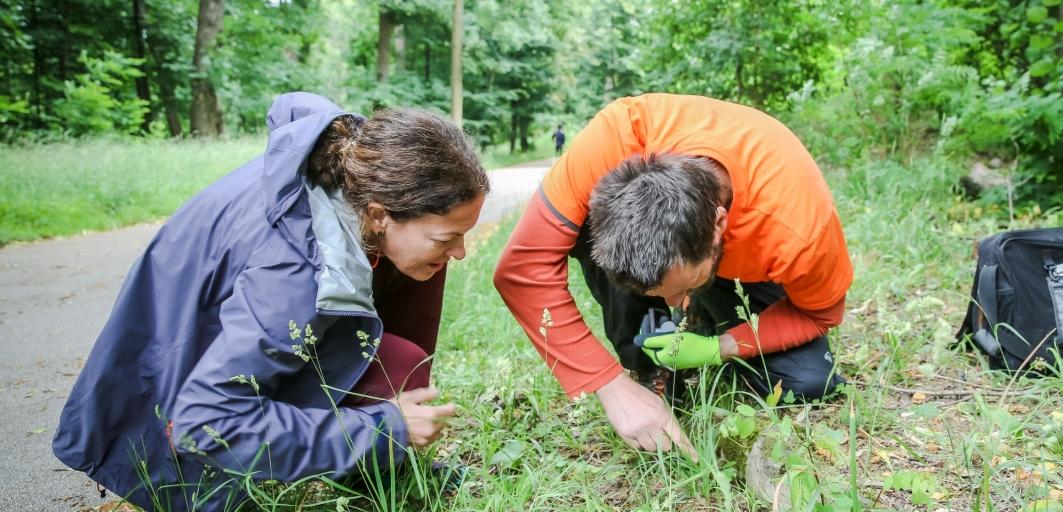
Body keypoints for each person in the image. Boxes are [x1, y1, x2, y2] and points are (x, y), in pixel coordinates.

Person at [52, 92, 489, 510]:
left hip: (215, 347)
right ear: (378, 214)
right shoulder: (296, 274)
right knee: (387, 368)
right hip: (166, 401)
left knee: (419, 287)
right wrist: (381, 430)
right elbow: (204, 425)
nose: (462, 251)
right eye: (448, 236)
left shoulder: (355, 168)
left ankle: (380, 471)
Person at [493, 93, 852, 456]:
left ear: (719, 225)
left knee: (807, 381)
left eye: (685, 288)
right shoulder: (614, 136)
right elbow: (522, 268)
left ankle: (706, 317)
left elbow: (820, 312)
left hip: (745, 267)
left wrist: (719, 348)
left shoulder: (798, 227)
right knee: (583, 231)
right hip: (672, 247)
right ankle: (648, 368)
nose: (674, 305)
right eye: (663, 296)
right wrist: (609, 386)